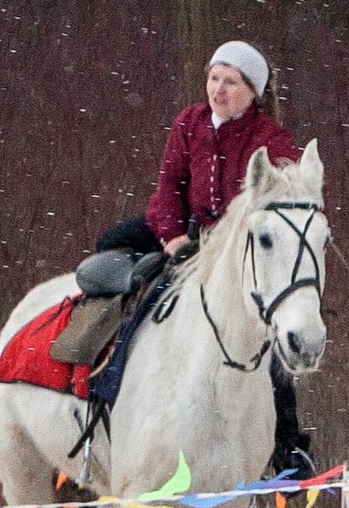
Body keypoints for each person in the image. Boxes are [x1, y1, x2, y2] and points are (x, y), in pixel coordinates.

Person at [95, 40, 313, 478]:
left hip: (240, 248)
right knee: (111, 246)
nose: (218, 88)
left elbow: (291, 208)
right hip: (188, 230)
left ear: (253, 90)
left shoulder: (272, 138)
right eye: (214, 78)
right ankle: (102, 373)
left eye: (230, 81)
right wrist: (173, 238)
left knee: (263, 327)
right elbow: (169, 186)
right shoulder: (189, 122)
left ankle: (289, 445)